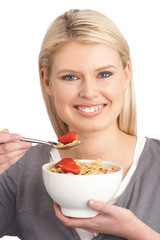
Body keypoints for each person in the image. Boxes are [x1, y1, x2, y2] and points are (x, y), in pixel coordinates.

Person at [0, 9, 160, 240]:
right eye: (70, 77)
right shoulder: (17, 171)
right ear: (47, 81)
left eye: (104, 74)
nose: (89, 92)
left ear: (126, 76)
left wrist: (137, 233)